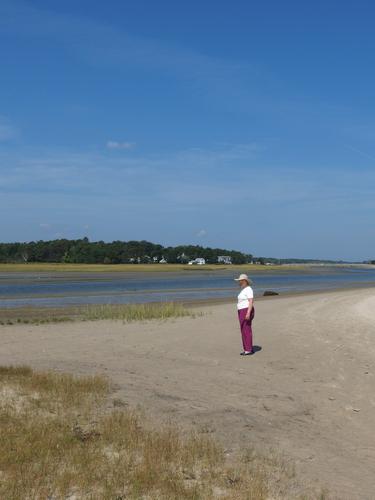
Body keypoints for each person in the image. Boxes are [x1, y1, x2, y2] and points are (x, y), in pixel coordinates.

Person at [234, 273, 254, 356]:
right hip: (242, 310)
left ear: (244, 281)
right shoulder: (244, 289)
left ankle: (248, 350)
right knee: (243, 329)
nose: (239, 282)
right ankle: (247, 349)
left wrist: (248, 313)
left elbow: (251, 301)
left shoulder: (249, 289)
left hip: (246, 310)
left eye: (240, 281)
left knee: (246, 329)